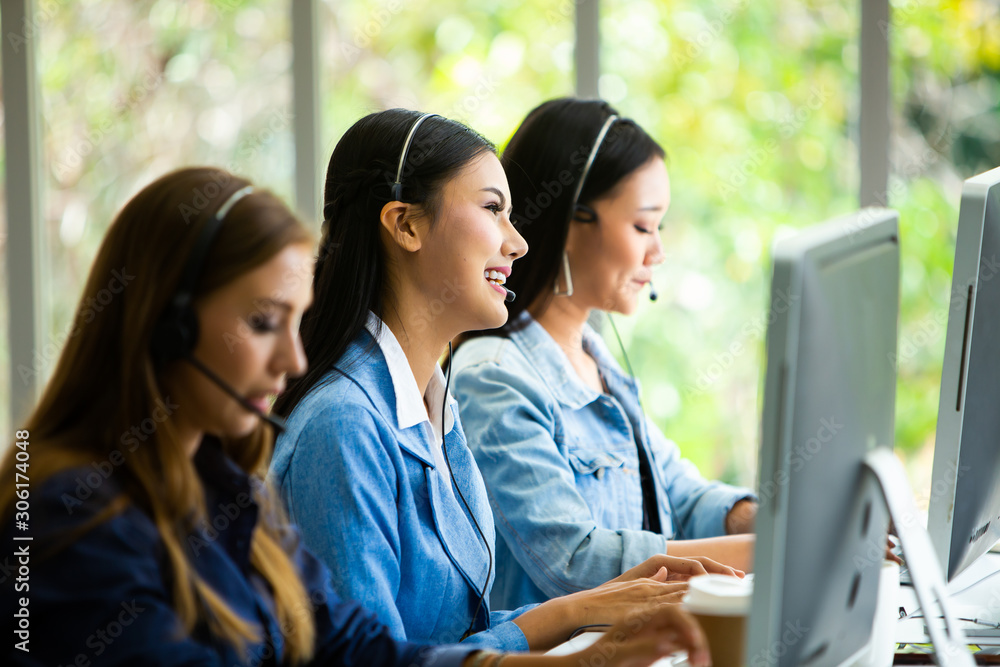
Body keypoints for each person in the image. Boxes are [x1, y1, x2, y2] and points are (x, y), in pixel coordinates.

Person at [0, 167, 711, 667]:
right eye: (261, 323)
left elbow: (358, 650)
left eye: (297, 323)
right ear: (168, 325)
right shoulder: (68, 515)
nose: (291, 360)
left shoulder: (227, 487)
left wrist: (581, 654)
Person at [269, 109, 736, 654]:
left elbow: (456, 630)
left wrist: (587, 607)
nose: (518, 243)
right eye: (493, 209)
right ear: (405, 225)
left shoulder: (432, 407)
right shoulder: (343, 424)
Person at [450, 98, 758, 611]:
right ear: (572, 222)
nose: (657, 252)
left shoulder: (597, 359)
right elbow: (575, 561)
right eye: (643, 226)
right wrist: (767, 553)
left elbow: (677, 493)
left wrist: (778, 522)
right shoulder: (493, 377)